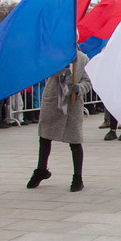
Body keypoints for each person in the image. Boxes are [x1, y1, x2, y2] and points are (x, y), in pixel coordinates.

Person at [26, 51, 92, 192]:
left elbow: (88, 81)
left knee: (75, 140)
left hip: (72, 105)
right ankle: (41, 169)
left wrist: (79, 88)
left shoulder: (82, 58)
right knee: (44, 137)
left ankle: (77, 177)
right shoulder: (54, 55)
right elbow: (43, 70)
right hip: (53, 101)